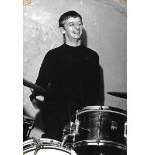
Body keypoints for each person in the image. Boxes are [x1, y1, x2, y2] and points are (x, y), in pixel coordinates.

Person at [30, 10, 101, 142]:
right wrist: (36, 97)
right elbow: (40, 85)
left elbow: (95, 93)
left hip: (82, 117)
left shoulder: (92, 57)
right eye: (71, 24)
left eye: (79, 24)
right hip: (54, 116)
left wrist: (86, 119)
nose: (77, 28)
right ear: (62, 30)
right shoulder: (52, 55)